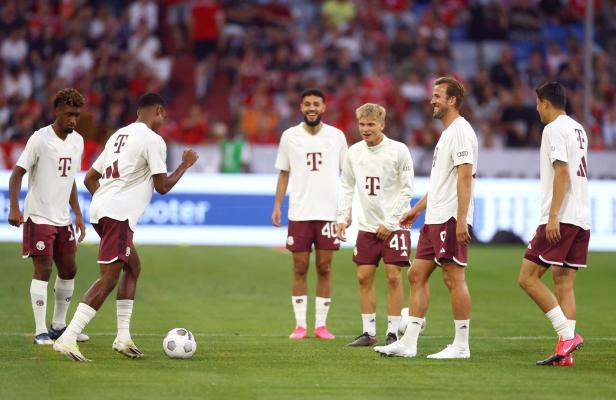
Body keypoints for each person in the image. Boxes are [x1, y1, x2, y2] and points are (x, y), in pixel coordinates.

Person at [53, 93, 199, 362]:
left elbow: (90, 178)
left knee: (133, 267)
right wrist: (185, 164)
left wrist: (107, 201)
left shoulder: (118, 135)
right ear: (158, 110)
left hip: (102, 210)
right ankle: (68, 337)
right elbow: (162, 186)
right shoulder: (153, 140)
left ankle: (122, 337)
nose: (163, 121)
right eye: (163, 116)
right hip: (117, 215)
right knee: (108, 278)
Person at [375, 77, 477, 359]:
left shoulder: (461, 132)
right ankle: (410, 343)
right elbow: (441, 183)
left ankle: (461, 345)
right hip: (434, 217)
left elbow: (465, 176)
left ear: (452, 100)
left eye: (437, 96)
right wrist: (417, 209)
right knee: (416, 274)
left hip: (449, 218)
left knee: (453, 277)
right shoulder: (446, 134)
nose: (431, 100)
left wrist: (460, 219)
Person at [8, 88, 90, 345]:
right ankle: (40, 330)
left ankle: (58, 326)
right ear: (56, 111)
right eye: (68, 114)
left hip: (62, 218)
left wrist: (77, 213)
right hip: (39, 215)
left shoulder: (78, 141)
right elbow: (17, 174)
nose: (73, 120)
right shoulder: (39, 139)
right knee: (43, 269)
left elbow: (71, 180)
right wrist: (14, 208)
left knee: (69, 269)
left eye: (76, 115)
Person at [517, 82, 587, 367]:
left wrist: (554, 215)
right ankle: (565, 353)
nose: (536, 109)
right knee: (563, 282)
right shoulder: (578, 128)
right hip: (582, 216)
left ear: (545, 102)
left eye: (537, 103)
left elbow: (562, 172)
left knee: (527, 277)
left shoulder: (553, 129)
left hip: (561, 216)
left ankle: (566, 336)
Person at [272, 88, 348, 340]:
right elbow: (283, 173)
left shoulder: (336, 137)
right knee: (300, 268)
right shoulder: (289, 136)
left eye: (316, 104)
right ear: (301, 108)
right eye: (307, 104)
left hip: (328, 214)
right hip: (300, 214)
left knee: (325, 268)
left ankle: (321, 326)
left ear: (324, 107)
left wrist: (344, 213)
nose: (312, 108)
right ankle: (300, 325)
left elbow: (347, 177)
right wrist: (277, 206)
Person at [336, 103, 414, 347]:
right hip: (367, 226)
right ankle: (369, 333)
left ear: (382, 124)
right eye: (362, 124)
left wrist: (390, 223)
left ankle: (392, 333)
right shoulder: (354, 153)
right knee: (363, 276)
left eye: (371, 124)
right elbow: (347, 186)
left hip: (395, 227)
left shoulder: (399, 151)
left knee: (393, 277)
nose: (365, 129)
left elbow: (407, 189)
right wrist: (342, 216)